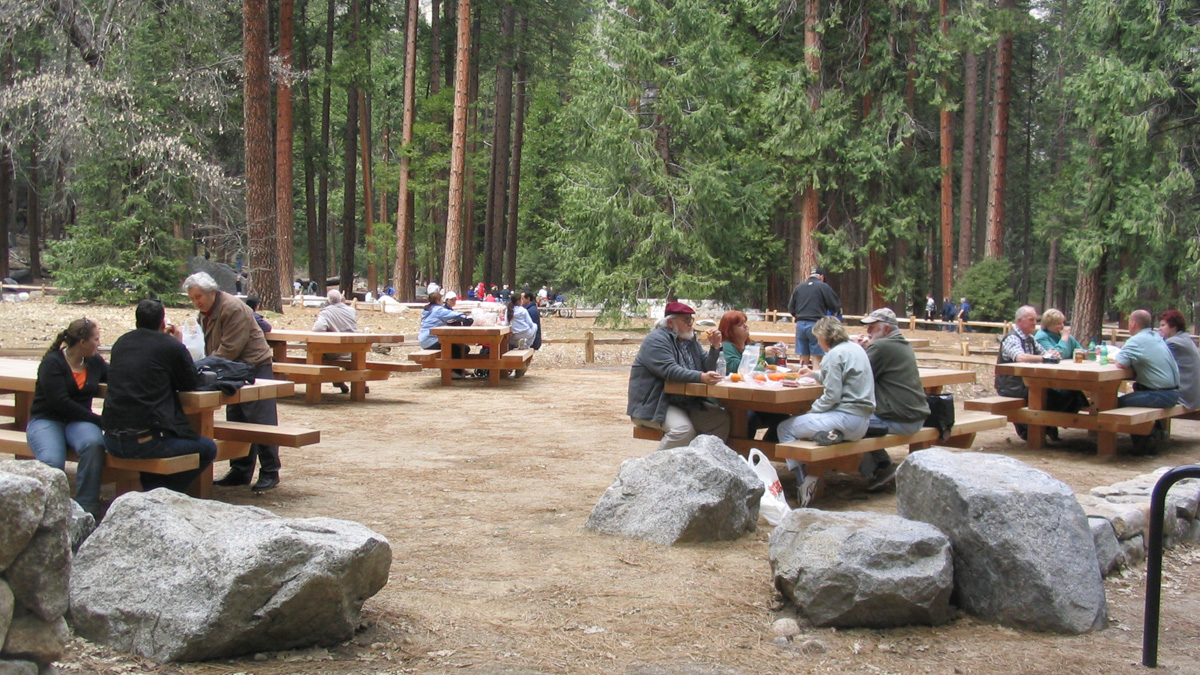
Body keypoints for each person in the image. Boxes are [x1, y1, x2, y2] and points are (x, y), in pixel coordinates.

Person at [101, 299, 217, 497]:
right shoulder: (170, 345)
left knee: (159, 442)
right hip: (145, 442)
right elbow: (190, 382)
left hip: (111, 438)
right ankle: (167, 495)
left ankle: (153, 492)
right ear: (163, 323)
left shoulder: (121, 343)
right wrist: (177, 343)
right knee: (207, 448)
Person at [183, 271, 280, 491]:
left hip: (253, 366)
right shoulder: (205, 313)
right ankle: (240, 471)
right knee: (236, 418)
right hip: (230, 370)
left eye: (199, 296)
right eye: (192, 298)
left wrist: (198, 366)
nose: (196, 302)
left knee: (260, 420)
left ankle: (270, 471)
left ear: (212, 292)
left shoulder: (233, 308)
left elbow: (229, 349)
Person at [776, 317, 875, 507]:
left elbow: (832, 396)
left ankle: (803, 481)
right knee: (808, 427)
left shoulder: (833, 355)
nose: (817, 343)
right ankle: (830, 435)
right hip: (863, 421)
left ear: (824, 337)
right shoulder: (856, 349)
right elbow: (839, 377)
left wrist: (811, 411)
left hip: (845, 417)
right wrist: (814, 374)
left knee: (785, 428)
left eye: (817, 339)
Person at [27, 318, 108, 518]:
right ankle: (50, 512)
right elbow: (60, 403)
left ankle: (87, 508)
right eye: (96, 339)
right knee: (51, 461)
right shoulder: (52, 363)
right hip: (47, 419)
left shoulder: (94, 362)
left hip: (78, 421)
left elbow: (117, 377)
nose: (99, 344)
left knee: (93, 444)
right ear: (82, 343)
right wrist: (98, 420)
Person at [628, 302, 730, 450]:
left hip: (684, 402)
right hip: (655, 404)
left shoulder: (689, 340)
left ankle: (701, 464)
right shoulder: (656, 340)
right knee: (682, 430)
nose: (690, 324)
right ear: (670, 323)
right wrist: (701, 377)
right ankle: (657, 469)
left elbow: (707, 367)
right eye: (686, 320)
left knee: (720, 420)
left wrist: (715, 347)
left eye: (691, 320)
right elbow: (670, 371)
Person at [855, 308, 930, 491]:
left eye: (872, 328)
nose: (868, 332)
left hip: (899, 418)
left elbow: (856, 375)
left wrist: (855, 349)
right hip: (916, 416)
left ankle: (882, 467)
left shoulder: (882, 347)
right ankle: (878, 467)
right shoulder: (901, 344)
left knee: (849, 422)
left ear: (886, 330)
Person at [994, 306, 1085, 442]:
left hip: (1028, 383)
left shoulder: (1030, 338)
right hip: (1013, 386)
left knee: (1072, 394)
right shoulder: (1012, 338)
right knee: (1053, 395)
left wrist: (1052, 354)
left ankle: (1047, 425)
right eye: (1031, 320)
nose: (1034, 323)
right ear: (1020, 321)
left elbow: (1045, 352)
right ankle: (1029, 428)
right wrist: (1045, 358)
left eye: (1036, 320)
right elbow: (1021, 357)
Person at [1116, 309, 1180, 454]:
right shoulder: (1155, 336)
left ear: (1133, 323)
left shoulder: (1137, 340)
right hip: (1173, 392)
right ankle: (1152, 434)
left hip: (1160, 394)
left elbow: (1121, 363)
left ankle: (1149, 436)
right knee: (1135, 390)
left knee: (1113, 405)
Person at [717, 310, 786, 441]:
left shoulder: (750, 345)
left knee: (782, 418)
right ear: (729, 330)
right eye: (740, 324)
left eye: (745, 323)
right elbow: (736, 367)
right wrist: (761, 355)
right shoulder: (726, 346)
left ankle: (763, 451)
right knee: (748, 418)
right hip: (735, 400)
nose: (745, 326)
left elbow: (764, 366)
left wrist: (775, 355)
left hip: (756, 399)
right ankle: (742, 452)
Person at [787, 267, 840, 368]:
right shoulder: (824, 287)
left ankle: (803, 378)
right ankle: (816, 380)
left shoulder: (799, 287)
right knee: (817, 357)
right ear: (822, 277)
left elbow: (791, 308)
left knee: (803, 357)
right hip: (816, 325)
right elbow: (835, 305)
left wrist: (800, 316)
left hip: (800, 325)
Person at [312, 289, 358, 393]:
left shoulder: (326, 313)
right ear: (342, 299)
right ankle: (358, 383)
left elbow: (317, 329)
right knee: (348, 357)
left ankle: (335, 378)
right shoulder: (351, 310)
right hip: (354, 350)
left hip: (334, 352)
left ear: (328, 301)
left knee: (317, 352)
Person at [419, 290, 471, 378]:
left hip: (424, 339)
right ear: (438, 301)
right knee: (457, 348)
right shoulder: (438, 309)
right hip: (432, 340)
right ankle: (454, 372)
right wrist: (465, 316)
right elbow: (452, 314)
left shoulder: (427, 309)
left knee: (462, 347)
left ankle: (459, 369)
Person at [1159, 309, 1200, 410]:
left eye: (1163, 325)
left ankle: (1155, 425)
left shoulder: (1173, 343)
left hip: (1184, 397)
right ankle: (1157, 425)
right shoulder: (1184, 338)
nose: (1160, 329)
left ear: (1173, 326)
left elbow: (1155, 361)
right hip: (1192, 394)